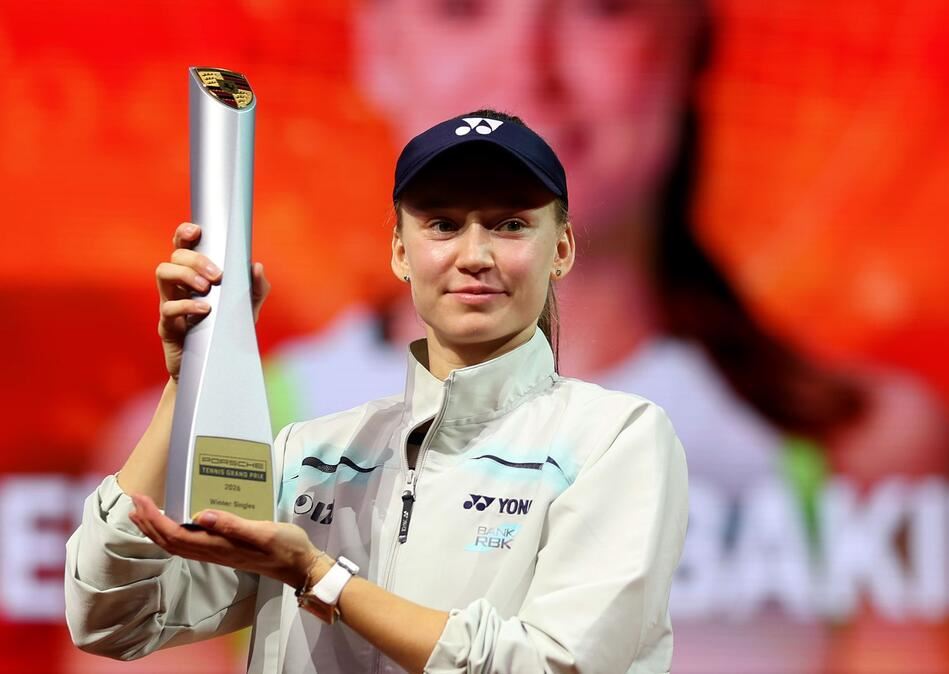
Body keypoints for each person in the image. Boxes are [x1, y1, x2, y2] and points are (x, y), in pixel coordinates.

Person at [65, 111, 689, 673]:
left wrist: (317, 576)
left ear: (561, 248)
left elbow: (550, 665)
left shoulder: (615, 439)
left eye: (509, 225)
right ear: (400, 251)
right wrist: (190, 378)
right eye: (443, 224)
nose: (474, 254)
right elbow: (112, 619)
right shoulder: (307, 454)